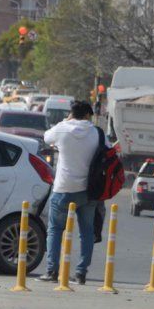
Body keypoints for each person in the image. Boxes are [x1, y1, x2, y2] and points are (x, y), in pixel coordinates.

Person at [38, 100, 103, 285]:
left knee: (55, 230)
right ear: (88, 115)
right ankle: (81, 273)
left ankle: (52, 271)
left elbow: (46, 137)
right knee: (86, 232)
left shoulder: (62, 129)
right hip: (89, 190)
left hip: (63, 188)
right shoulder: (96, 132)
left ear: (71, 113)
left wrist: (64, 122)